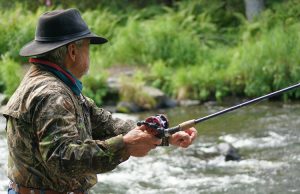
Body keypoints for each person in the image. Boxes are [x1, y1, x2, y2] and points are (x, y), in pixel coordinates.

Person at [3, 8, 197, 194]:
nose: (89, 55)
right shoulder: (53, 94)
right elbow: (62, 159)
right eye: (88, 47)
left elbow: (105, 124)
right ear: (72, 51)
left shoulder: (50, 83)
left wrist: (164, 135)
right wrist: (125, 146)